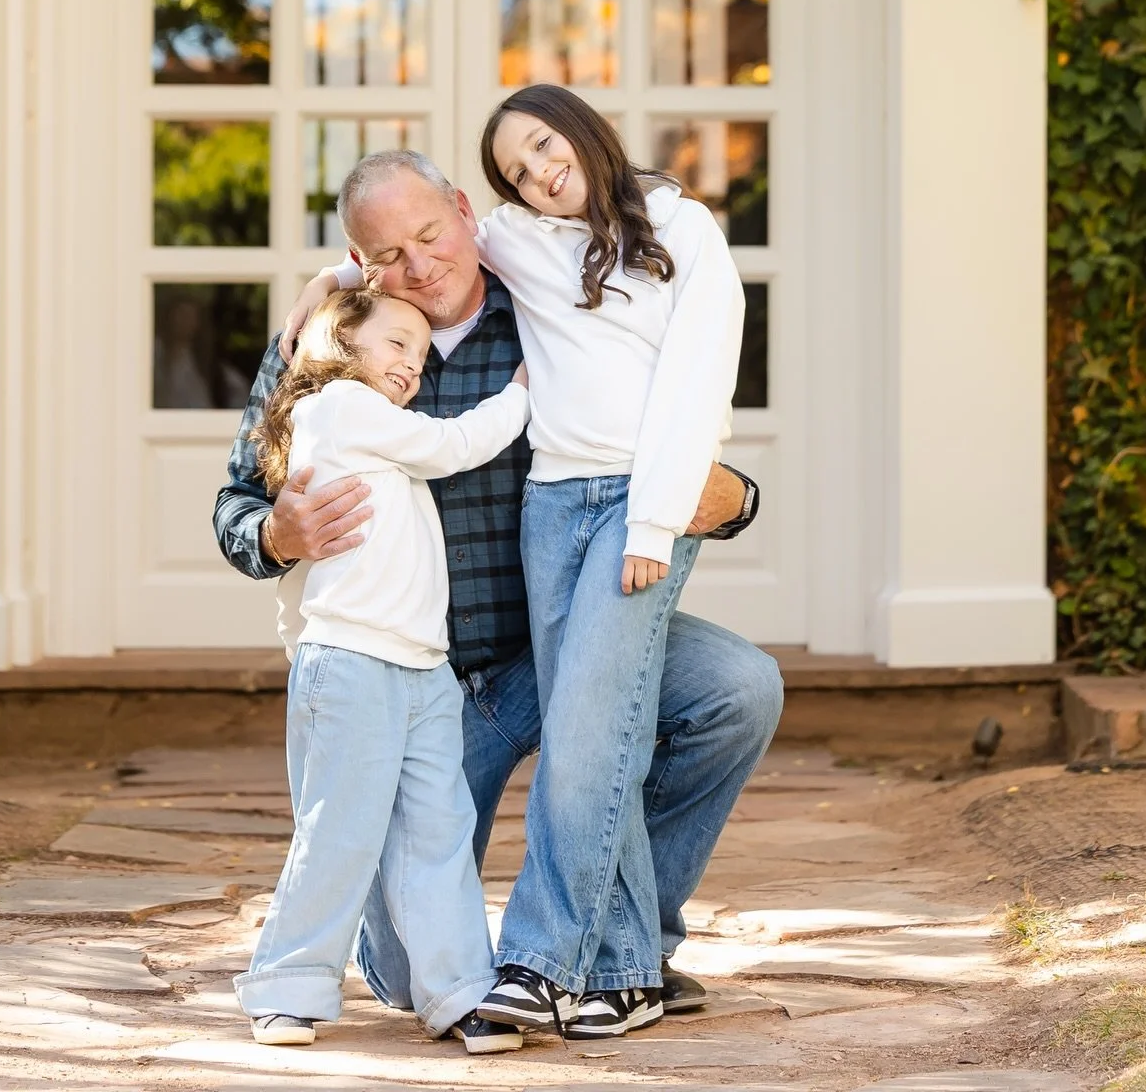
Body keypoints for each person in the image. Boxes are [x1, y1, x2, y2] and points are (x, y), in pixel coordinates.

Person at [213, 145, 783, 1040]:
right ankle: (421, 952)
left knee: (736, 688)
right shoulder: (322, 345)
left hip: (552, 645)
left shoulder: (552, 311)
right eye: (388, 255)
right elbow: (238, 503)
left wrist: (733, 497)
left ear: (464, 212)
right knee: (410, 976)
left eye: (431, 235)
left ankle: (623, 944)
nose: (420, 266)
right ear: (362, 265)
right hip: (417, 678)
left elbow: (670, 399)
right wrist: (273, 534)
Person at [236, 286, 531, 1054]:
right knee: (340, 830)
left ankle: (462, 990)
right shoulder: (336, 405)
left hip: (421, 669)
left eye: (422, 353)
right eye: (397, 342)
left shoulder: (379, 431)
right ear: (341, 340)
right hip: (355, 660)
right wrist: (521, 395)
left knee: (437, 833)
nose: (412, 363)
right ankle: (287, 987)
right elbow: (452, 446)